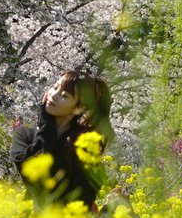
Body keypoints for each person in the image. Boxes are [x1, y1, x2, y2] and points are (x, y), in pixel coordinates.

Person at [10, 70, 113, 210]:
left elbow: (84, 195)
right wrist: (46, 126)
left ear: (79, 107)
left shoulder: (84, 144)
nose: (54, 96)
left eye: (64, 95)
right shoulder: (24, 135)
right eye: (55, 87)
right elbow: (27, 170)